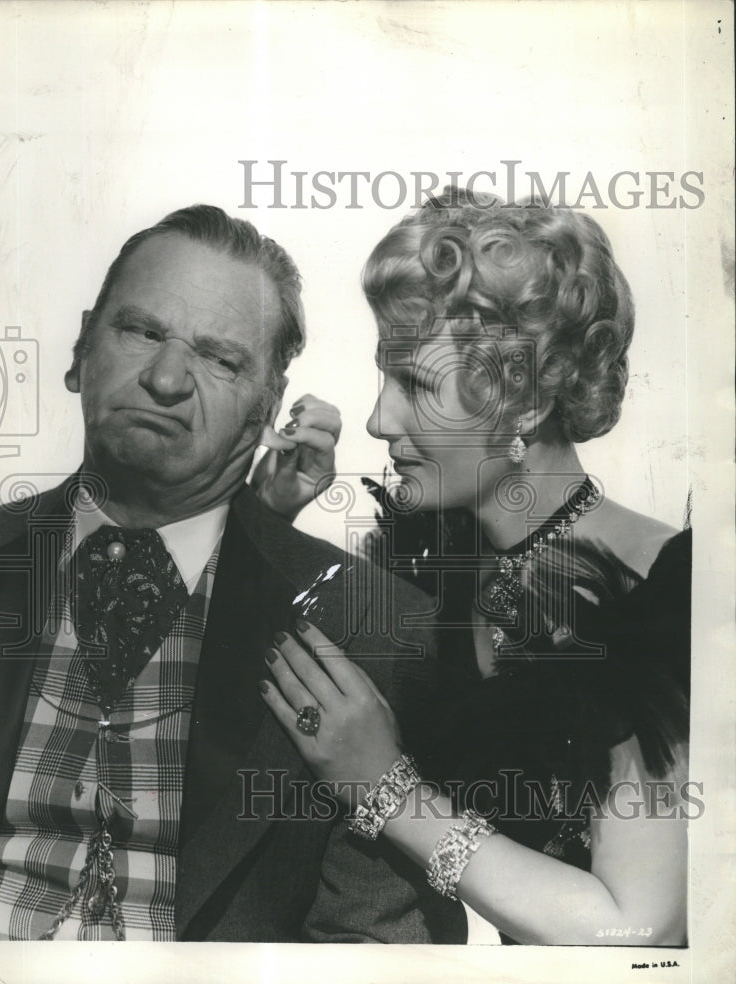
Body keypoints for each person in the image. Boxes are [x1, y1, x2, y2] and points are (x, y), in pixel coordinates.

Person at [0, 204, 464, 943]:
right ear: (81, 348)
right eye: (141, 331)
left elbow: (373, 953)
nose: (168, 377)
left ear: (266, 408)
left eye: (219, 358)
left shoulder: (375, 625)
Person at [259, 189, 691, 945]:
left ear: (521, 402)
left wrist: (386, 790)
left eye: (416, 385)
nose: (376, 419)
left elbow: (638, 928)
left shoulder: (657, 591)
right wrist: (268, 519)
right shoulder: (433, 572)